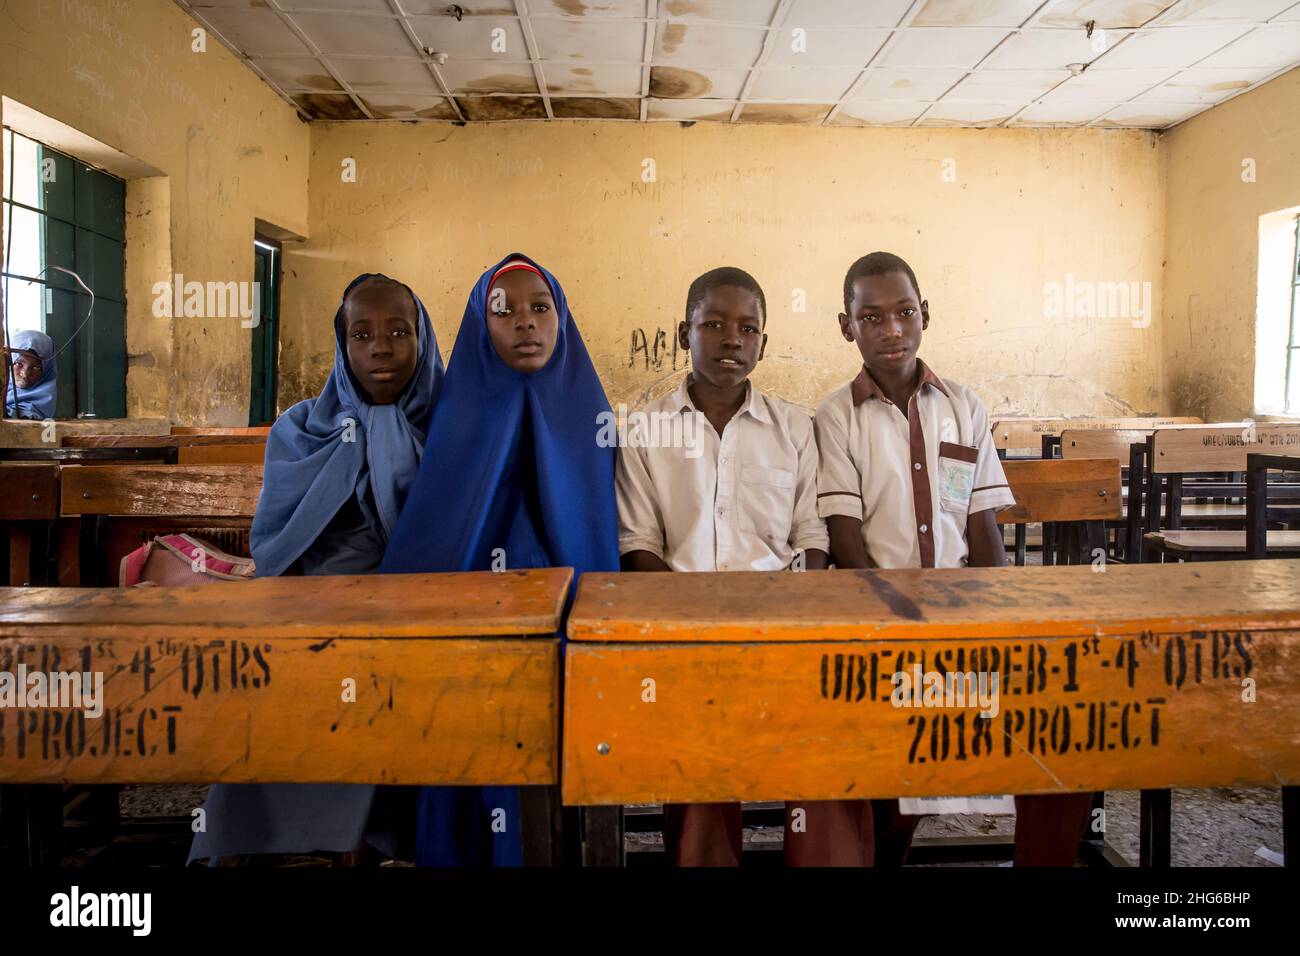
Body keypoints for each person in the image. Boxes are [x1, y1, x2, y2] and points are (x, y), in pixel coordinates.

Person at [815, 251, 1095, 866]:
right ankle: (889, 847)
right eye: (871, 317)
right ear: (846, 326)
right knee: (892, 751)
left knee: (1061, 717)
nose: (891, 329)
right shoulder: (836, 417)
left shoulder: (964, 406)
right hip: (879, 619)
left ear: (925, 316)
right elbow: (844, 535)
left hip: (963, 613)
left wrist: (1007, 618)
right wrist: (895, 626)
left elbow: (980, 525)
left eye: (904, 312)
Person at [188, 273, 443, 865]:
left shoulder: (457, 426)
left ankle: (386, 841)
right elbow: (276, 547)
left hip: (427, 613)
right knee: (283, 688)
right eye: (362, 335)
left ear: (422, 339)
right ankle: (273, 844)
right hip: (314, 613)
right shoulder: (301, 430)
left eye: (399, 332)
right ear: (341, 345)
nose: (381, 347)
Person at [380, 253, 619, 867]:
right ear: (478, 325)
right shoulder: (455, 416)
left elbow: (596, 543)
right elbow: (432, 541)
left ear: (562, 319)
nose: (525, 322)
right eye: (502, 310)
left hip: (569, 635)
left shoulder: (589, 416)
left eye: (541, 308)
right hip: (467, 633)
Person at [616, 266, 836, 865]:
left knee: (829, 755)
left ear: (764, 341)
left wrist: (789, 611)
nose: (731, 339)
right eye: (712, 324)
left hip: (783, 630)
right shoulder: (644, 431)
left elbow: (810, 535)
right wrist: (697, 627)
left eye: (748, 327)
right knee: (699, 761)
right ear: (683, 331)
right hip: (683, 636)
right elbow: (640, 545)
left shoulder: (796, 428)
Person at [4, 329, 57, 419]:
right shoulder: (4, 386)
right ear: (9, 362)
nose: (25, 374)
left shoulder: (37, 407)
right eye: (18, 364)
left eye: (36, 368)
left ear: (47, 370)